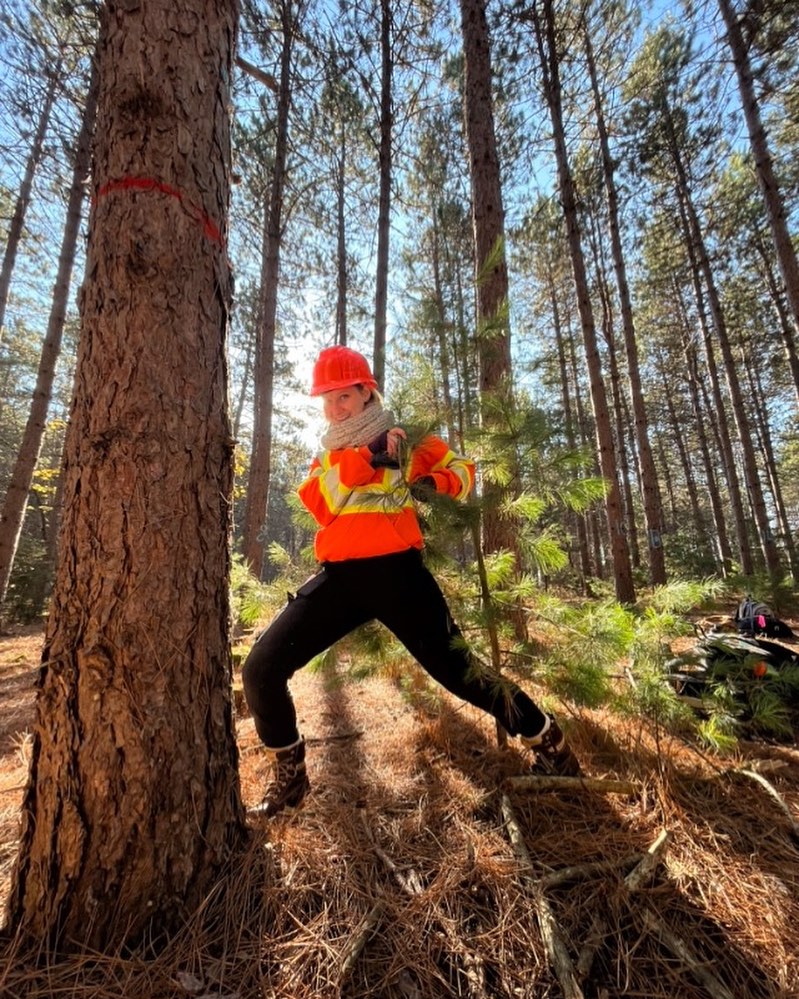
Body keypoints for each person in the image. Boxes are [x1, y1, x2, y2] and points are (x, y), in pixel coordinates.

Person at [242, 345, 581, 819]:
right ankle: (292, 778)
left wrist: (433, 484)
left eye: (343, 397)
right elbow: (320, 506)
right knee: (260, 670)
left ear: (367, 392)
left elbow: (464, 472)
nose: (334, 408)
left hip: (399, 576)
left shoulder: (407, 440)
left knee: (462, 674)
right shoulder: (329, 455)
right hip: (339, 580)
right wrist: (366, 457)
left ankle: (551, 743)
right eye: (327, 399)